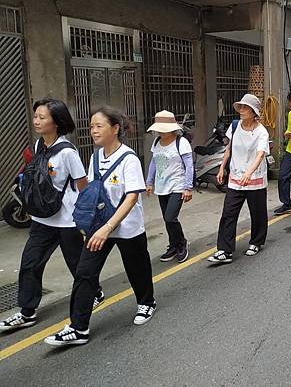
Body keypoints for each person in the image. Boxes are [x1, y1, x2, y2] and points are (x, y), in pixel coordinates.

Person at [45, 106, 156, 346]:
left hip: (127, 228)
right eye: (91, 126)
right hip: (99, 227)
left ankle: (146, 303)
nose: (93, 130)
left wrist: (109, 227)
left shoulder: (129, 159)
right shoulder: (95, 157)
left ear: (115, 128)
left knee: (137, 269)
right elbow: (92, 193)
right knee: (85, 272)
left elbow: (131, 197)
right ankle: (78, 328)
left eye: (99, 126)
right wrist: (89, 223)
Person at [0, 98, 104, 332]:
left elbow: (83, 185)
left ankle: (94, 292)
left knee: (77, 265)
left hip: (67, 221)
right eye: (35, 116)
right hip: (41, 219)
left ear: (56, 122)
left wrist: (86, 218)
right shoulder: (39, 146)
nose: (36, 121)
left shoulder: (68, 152)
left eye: (42, 117)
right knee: (30, 263)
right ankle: (27, 312)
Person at [208, 94, 270, 264]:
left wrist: (249, 173)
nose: (241, 110)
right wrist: (221, 168)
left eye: (245, 108)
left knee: (257, 213)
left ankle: (256, 241)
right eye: (241, 107)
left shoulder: (261, 132)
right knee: (228, 213)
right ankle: (225, 250)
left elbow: (260, 155)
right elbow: (228, 148)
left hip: (255, 178)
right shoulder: (234, 126)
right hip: (235, 177)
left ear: (254, 112)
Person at [145, 110, 194, 264]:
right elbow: (153, 162)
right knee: (167, 220)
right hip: (161, 186)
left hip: (177, 185)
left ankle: (181, 243)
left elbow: (189, 165)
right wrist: (149, 182)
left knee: (170, 217)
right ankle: (173, 245)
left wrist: (188, 187)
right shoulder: (156, 142)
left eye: (164, 129)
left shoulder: (181, 142)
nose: (161, 132)